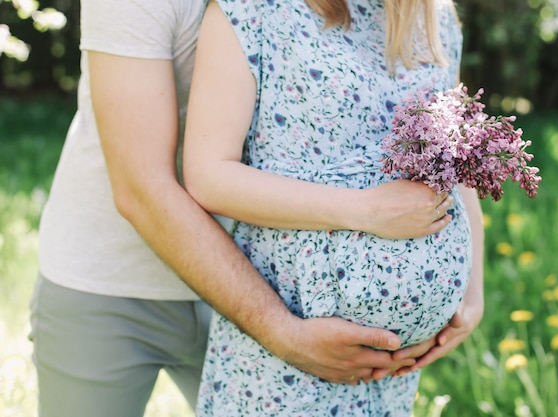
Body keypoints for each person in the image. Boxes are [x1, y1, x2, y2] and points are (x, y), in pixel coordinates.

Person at [29, 0, 475, 416]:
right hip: (112, 283)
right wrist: (284, 333)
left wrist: (462, 293)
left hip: (260, 271)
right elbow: (143, 190)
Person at [183, 0, 485, 415]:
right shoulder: (253, 9)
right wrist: (363, 210)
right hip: (286, 347)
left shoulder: (433, 17)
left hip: (393, 374)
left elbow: (453, 161)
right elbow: (208, 174)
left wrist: (472, 291)